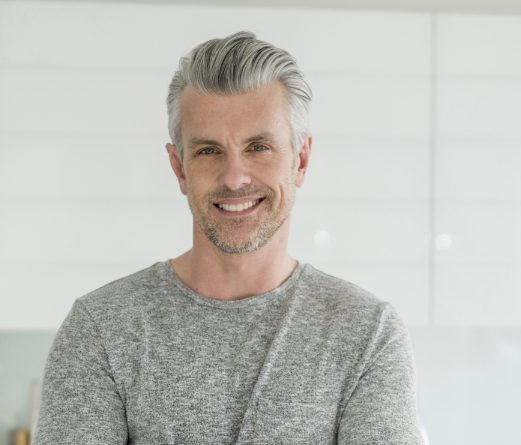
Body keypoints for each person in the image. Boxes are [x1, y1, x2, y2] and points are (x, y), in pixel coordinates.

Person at [33, 31, 423, 444]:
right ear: (179, 168)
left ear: (301, 160)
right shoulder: (102, 330)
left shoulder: (366, 333)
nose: (235, 177)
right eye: (208, 150)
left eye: (258, 147)